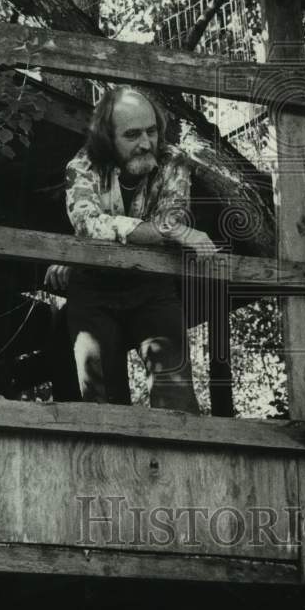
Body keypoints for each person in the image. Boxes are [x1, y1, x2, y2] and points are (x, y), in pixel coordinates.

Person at [44, 86, 218, 413]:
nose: (145, 143)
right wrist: (171, 231)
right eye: (132, 134)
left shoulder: (172, 161)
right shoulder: (82, 164)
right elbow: (87, 223)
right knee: (102, 402)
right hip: (93, 287)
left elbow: (172, 216)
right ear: (108, 139)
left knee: (176, 399)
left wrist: (165, 229)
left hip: (152, 285)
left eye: (152, 131)